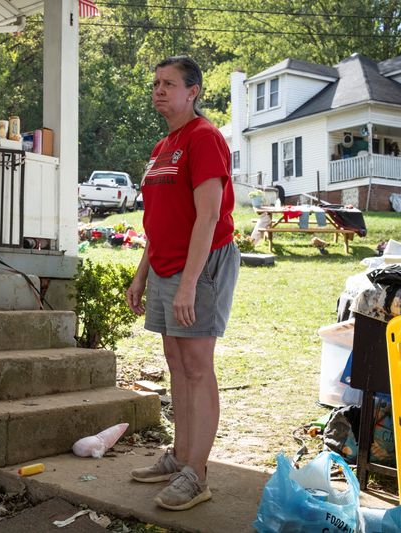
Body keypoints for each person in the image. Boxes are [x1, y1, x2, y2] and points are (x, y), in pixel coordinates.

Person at [125, 56, 240, 512]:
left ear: (192, 91)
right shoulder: (161, 147)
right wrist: (142, 273)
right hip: (166, 265)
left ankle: (199, 474)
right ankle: (180, 456)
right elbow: (159, 221)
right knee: (176, 361)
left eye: (168, 84)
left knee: (196, 365)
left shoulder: (204, 138)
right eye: (155, 83)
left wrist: (191, 282)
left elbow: (209, 216)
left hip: (202, 265)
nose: (158, 90)